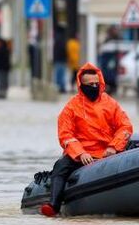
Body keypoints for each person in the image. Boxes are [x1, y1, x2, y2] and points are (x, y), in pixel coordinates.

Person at [39, 63, 133, 217]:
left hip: (107, 152)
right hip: (82, 154)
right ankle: (54, 205)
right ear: (81, 85)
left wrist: (114, 147)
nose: (94, 87)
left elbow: (125, 126)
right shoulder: (71, 107)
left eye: (97, 84)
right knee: (60, 167)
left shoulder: (110, 104)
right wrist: (80, 153)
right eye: (90, 85)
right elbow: (66, 135)